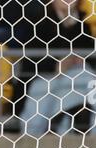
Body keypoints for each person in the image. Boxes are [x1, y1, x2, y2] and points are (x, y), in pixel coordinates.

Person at [18, 0, 96, 135]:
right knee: (49, 88)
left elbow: (89, 54)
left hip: (78, 79)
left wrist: (78, 59)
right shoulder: (37, 21)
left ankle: (66, 128)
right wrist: (57, 65)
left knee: (86, 78)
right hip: (45, 78)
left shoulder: (83, 23)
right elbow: (29, 62)